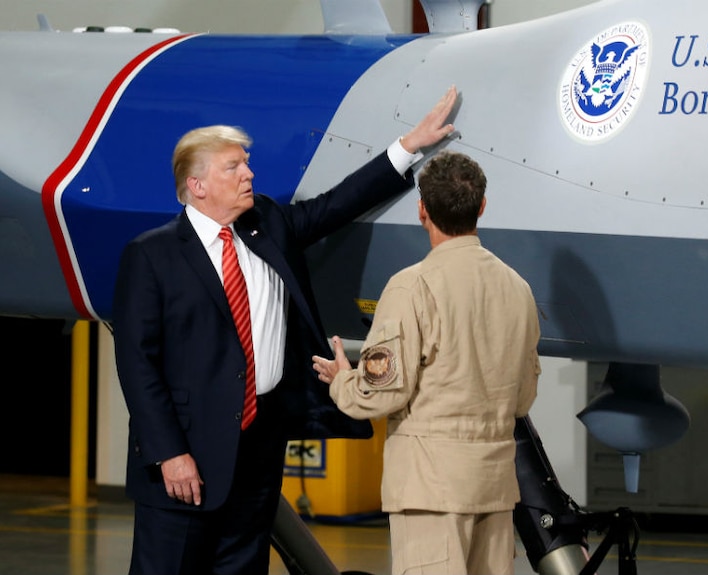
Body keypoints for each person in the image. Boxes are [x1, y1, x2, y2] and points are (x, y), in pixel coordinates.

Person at [111, 85, 458, 575]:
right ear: (197, 184)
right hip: (185, 460)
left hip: (259, 451)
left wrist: (410, 145)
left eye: (246, 163)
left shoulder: (268, 223)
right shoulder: (151, 255)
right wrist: (170, 453)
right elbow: (137, 365)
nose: (249, 173)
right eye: (233, 167)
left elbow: (337, 204)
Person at [312, 150, 541, 575]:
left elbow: (382, 394)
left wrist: (344, 380)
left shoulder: (411, 287)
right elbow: (523, 397)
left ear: (422, 209)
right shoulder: (518, 289)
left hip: (430, 490)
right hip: (493, 487)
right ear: (482, 207)